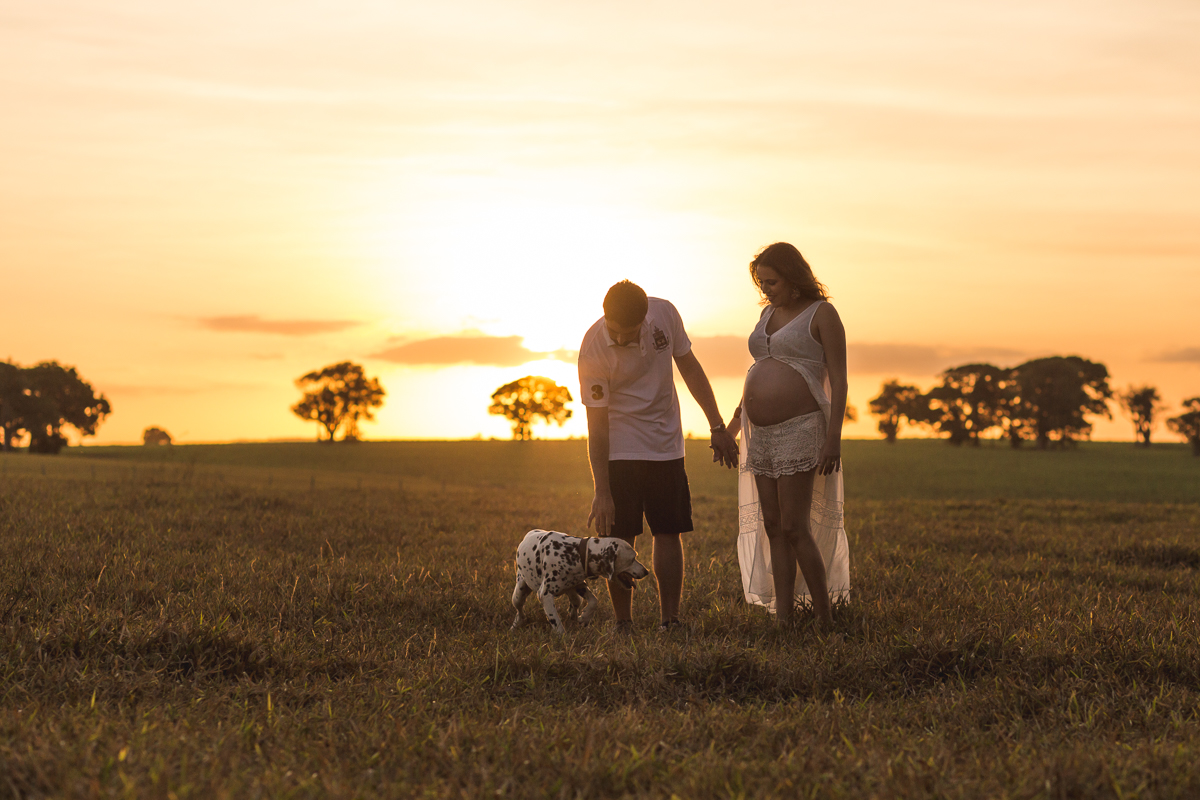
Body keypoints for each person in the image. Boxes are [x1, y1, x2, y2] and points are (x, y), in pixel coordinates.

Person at [579, 280, 739, 631]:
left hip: (666, 445)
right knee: (619, 540)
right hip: (619, 449)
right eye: (614, 331)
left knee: (669, 531)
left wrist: (717, 426)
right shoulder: (593, 348)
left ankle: (671, 620)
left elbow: (691, 368)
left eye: (628, 333)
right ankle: (624, 623)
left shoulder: (664, 314)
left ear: (645, 318)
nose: (620, 340)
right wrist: (602, 490)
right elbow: (598, 425)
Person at [726, 243, 851, 628]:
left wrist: (834, 439)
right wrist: (730, 428)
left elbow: (841, 381)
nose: (767, 290)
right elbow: (756, 374)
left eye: (773, 281)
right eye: (762, 283)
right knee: (772, 524)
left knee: (795, 526)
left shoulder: (823, 314)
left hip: (802, 427)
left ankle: (824, 615)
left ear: (795, 277)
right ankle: (783, 616)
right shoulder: (768, 313)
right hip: (759, 433)